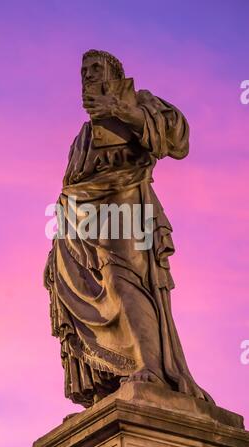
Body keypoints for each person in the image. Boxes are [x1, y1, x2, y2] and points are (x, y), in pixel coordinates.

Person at [43, 49, 214, 408]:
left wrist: (120, 111)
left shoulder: (137, 101)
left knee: (125, 281)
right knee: (84, 294)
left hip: (125, 207)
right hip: (80, 223)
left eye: (95, 68)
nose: (87, 75)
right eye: (83, 71)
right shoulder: (84, 136)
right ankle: (112, 375)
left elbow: (177, 138)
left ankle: (150, 367)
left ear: (113, 72)